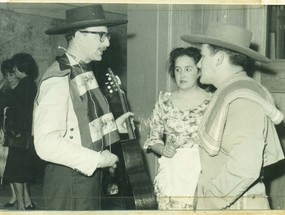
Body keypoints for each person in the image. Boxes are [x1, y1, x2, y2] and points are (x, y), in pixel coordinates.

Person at [33, 4, 132, 210]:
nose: (107, 43)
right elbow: (45, 143)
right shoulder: (59, 79)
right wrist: (97, 159)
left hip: (84, 175)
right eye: (101, 36)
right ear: (78, 35)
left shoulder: (81, 70)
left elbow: (80, 121)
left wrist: (113, 126)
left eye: (108, 36)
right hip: (70, 179)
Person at [180, 22, 285, 210]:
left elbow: (244, 168)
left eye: (202, 56)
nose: (198, 63)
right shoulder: (228, 91)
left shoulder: (243, 99)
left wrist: (209, 203)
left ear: (219, 58)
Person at [144, 47, 212, 210]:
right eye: (178, 69)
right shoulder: (164, 101)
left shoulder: (212, 102)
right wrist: (163, 149)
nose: (182, 75)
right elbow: (153, 139)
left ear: (199, 71)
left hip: (202, 172)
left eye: (188, 69)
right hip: (173, 173)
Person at [1, 53, 38, 210]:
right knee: (19, 171)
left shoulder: (25, 85)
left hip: (19, 135)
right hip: (24, 134)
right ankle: (26, 203)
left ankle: (21, 206)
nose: (14, 71)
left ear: (21, 67)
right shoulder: (29, 84)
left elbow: (12, 104)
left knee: (16, 172)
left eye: (15, 68)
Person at [0, 59, 16, 208]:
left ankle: (14, 195)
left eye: (12, 74)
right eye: (6, 74)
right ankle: (14, 194)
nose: (9, 77)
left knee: (7, 164)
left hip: (8, 131)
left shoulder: (17, 90)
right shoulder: (3, 88)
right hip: (2, 129)